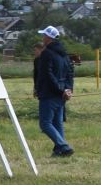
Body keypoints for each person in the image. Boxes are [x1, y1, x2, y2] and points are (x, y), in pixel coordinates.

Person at [32, 25, 75, 157]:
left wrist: (60, 89)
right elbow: (70, 73)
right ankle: (59, 151)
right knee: (57, 123)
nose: (42, 37)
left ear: (49, 38)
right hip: (62, 94)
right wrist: (68, 89)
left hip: (49, 93)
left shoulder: (46, 53)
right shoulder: (64, 53)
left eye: (44, 35)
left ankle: (63, 146)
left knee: (45, 123)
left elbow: (47, 75)